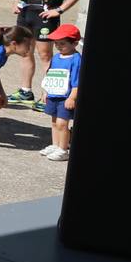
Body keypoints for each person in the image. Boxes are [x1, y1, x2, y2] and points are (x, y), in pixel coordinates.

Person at [38, 24, 80, 162]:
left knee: (63, 124)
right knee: (54, 122)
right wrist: (45, 92)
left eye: (62, 43)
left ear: (74, 43)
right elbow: (50, 75)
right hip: (53, 95)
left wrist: (72, 98)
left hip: (65, 97)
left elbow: (77, 82)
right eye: (56, 43)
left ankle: (63, 149)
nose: (58, 46)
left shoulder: (76, 59)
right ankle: (55, 145)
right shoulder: (56, 57)